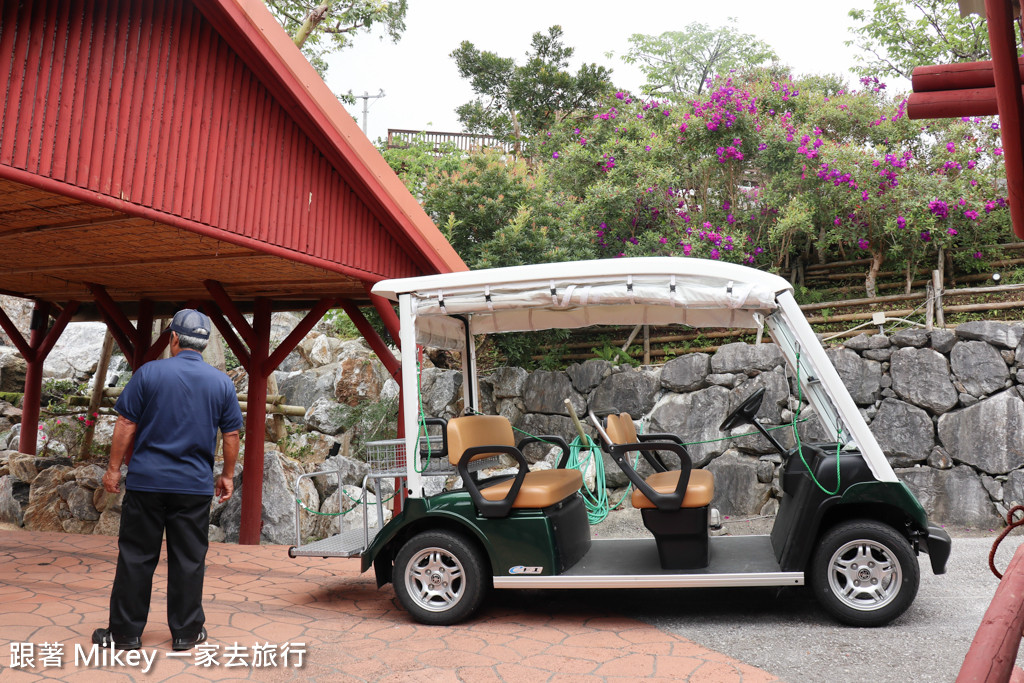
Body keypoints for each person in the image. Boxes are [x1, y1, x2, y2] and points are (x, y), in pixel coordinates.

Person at [91, 309, 243, 651]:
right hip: (193, 487)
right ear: (202, 345)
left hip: (147, 483)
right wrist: (228, 475)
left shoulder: (149, 374)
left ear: (173, 338)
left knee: (136, 556)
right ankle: (187, 633)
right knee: (189, 559)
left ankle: (125, 634)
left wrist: (114, 469)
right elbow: (232, 435)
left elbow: (126, 424)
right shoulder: (221, 382)